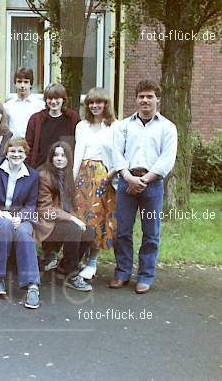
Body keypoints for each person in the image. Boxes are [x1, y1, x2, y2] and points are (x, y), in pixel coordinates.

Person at [110, 79, 177, 294]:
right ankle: (122, 272)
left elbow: (167, 159)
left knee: (151, 232)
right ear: (136, 99)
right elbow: (116, 153)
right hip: (126, 183)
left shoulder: (167, 127)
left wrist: (144, 180)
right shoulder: (124, 125)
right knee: (122, 231)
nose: (145, 100)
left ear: (158, 99)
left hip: (152, 186)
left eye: (149, 96)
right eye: (141, 96)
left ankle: (145, 276)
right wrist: (129, 178)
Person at [0, 137, 41, 309]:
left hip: (20, 216)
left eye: (20, 151)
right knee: (4, 226)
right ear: (6, 152)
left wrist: (20, 217)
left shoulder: (33, 175)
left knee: (23, 233)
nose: (16, 154)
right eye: (12, 151)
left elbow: (31, 204)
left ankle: (32, 285)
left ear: (26, 154)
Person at [36, 141, 95, 292]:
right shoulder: (44, 175)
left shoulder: (67, 174)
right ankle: (72, 274)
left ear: (69, 158)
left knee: (89, 231)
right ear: (51, 158)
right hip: (44, 223)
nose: (59, 159)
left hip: (59, 221)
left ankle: (63, 268)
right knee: (73, 229)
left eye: (63, 155)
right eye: (56, 155)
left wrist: (76, 219)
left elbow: (70, 205)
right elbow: (44, 210)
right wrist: (71, 219)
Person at [72, 88, 118, 280]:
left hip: (104, 177)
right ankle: (79, 257)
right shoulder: (82, 126)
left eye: (99, 102)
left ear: (106, 104)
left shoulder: (115, 126)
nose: (95, 106)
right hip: (83, 177)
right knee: (82, 218)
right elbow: (77, 154)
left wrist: (112, 175)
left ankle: (93, 261)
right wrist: (72, 179)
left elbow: (117, 154)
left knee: (99, 219)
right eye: (91, 103)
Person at [25, 82, 80, 168]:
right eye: (50, 98)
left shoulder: (72, 118)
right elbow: (28, 146)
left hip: (65, 171)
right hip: (41, 170)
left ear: (63, 99)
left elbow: (78, 145)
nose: (53, 102)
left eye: (57, 98)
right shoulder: (36, 119)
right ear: (46, 100)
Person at [4, 68, 43, 138]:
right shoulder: (8, 106)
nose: (22, 85)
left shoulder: (39, 105)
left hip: (32, 145)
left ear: (31, 84)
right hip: (13, 145)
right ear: (15, 83)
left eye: (26, 82)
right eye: (19, 82)